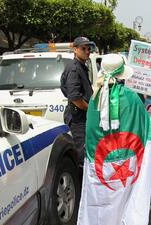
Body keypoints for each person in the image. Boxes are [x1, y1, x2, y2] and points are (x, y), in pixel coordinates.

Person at [77, 54, 151, 225]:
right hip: (128, 159)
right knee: (125, 200)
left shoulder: (94, 98)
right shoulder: (131, 97)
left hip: (98, 162)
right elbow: (144, 123)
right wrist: (150, 113)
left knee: (102, 202)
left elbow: (91, 131)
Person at [60, 36, 93, 167]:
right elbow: (75, 98)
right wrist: (91, 109)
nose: (87, 51)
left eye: (88, 49)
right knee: (82, 157)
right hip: (78, 118)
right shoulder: (74, 68)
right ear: (75, 49)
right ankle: (80, 184)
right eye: (83, 48)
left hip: (82, 117)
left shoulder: (81, 66)